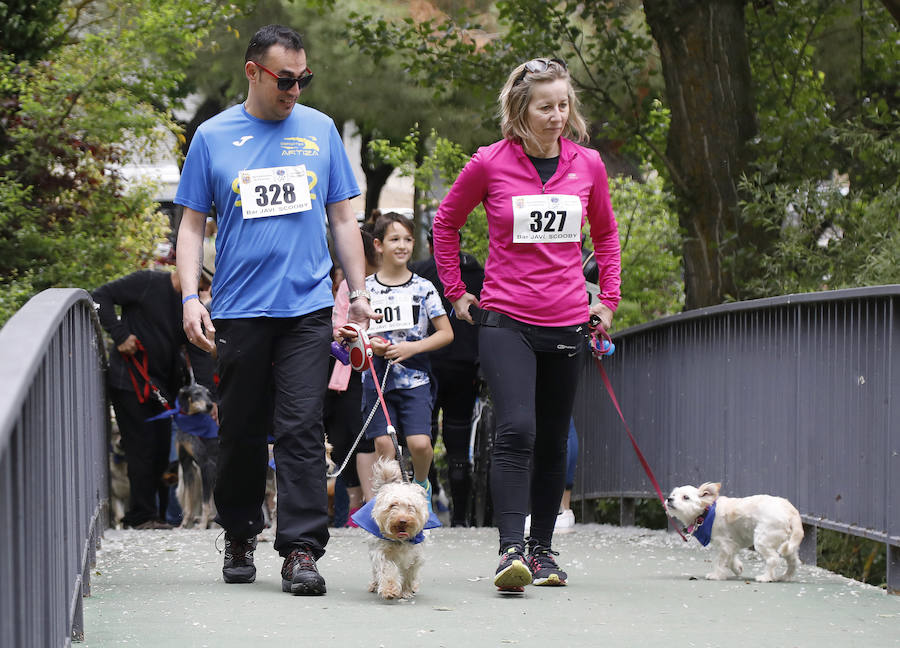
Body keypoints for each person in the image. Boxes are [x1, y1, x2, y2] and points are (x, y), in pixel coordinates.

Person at [174, 24, 376, 596]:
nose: (295, 90)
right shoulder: (213, 137)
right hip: (239, 310)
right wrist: (192, 295)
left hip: (308, 309)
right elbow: (192, 225)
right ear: (253, 72)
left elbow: (342, 218)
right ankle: (239, 533)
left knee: (301, 428)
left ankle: (302, 550)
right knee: (239, 430)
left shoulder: (320, 131)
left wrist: (359, 295)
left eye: (303, 79)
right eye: (285, 79)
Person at [432, 57, 621, 591]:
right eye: (545, 107)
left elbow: (605, 237)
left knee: (554, 440)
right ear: (520, 110)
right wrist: (456, 292)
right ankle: (509, 551)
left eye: (564, 105)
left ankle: (542, 551)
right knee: (517, 428)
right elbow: (445, 224)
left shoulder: (588, 165)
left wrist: (606, 300)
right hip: (506, 319)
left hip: (567, 322)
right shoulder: (490, 163)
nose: (557, 116)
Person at [93, 269, 217, 530]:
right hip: (130, 381)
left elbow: (199, 351)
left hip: (163, 389)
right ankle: (141, 516)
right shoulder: (147, 282)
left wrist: (210, 396)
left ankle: (158, 515)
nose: (203, 292)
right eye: (202, 284)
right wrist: (120, 334)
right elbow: (100, 296)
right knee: (141, 448)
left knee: (163, 452)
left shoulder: (188, 306)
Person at [361, 212, 453, 507]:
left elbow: (446, 333)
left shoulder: (423, 287)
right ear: (378, 244)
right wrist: (368, 343)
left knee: (420, 444)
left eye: (408, 239)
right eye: (394, 239)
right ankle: (395, 504)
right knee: (385, 445)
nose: (402, 245)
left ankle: (421, 484)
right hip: (376, 380)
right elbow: (353, 332)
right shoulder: (365, 288)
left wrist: (412, 349)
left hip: (415, 379)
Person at [410, 227, 484, 526]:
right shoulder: (479, 272)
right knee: (458, 440)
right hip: (466, 365)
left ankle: (426, 502)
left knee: (423, 436)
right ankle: (461, 518)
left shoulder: (419, 272)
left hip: (427, 362)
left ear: (430, 243)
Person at [325, 229, 380, 524]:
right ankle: (357, 504)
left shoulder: (381, 282)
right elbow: (338, 324)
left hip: (381, 367)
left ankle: (371, 503)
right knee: (345, 437)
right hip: (346, 368)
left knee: (369, 438)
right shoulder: (346, 285)